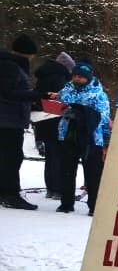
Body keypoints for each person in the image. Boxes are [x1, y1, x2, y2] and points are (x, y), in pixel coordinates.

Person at [0, 34, 53, 210]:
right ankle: (10, 194)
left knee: (10, 157)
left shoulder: (11, 65)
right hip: (8, 120)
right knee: (12, 157)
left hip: (11, 118)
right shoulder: (10, 66)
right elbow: (8, 93)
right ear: (26, 53)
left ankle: (7, 192)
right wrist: (39, 95)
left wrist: (33, 100)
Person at [53, 63, 111, 215]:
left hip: (91, 137)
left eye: (81, 77)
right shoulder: (67, 88)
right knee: (66, 169)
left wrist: (80, 114)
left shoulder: (98, 93)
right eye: (75, 76)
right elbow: (59, 103)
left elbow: (103, 116)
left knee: (92, 173)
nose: (77, 79)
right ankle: (66, 203)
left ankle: (94, 205)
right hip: (68, 133)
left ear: (88, 78)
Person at [33, 52, 73, 198]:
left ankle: (50, 187)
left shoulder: (43, 76)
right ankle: (58, 189)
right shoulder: (59, 78)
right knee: (59, 155)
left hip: (43, 119)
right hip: (55, 120)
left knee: (50, 154)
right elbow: (61, 100)